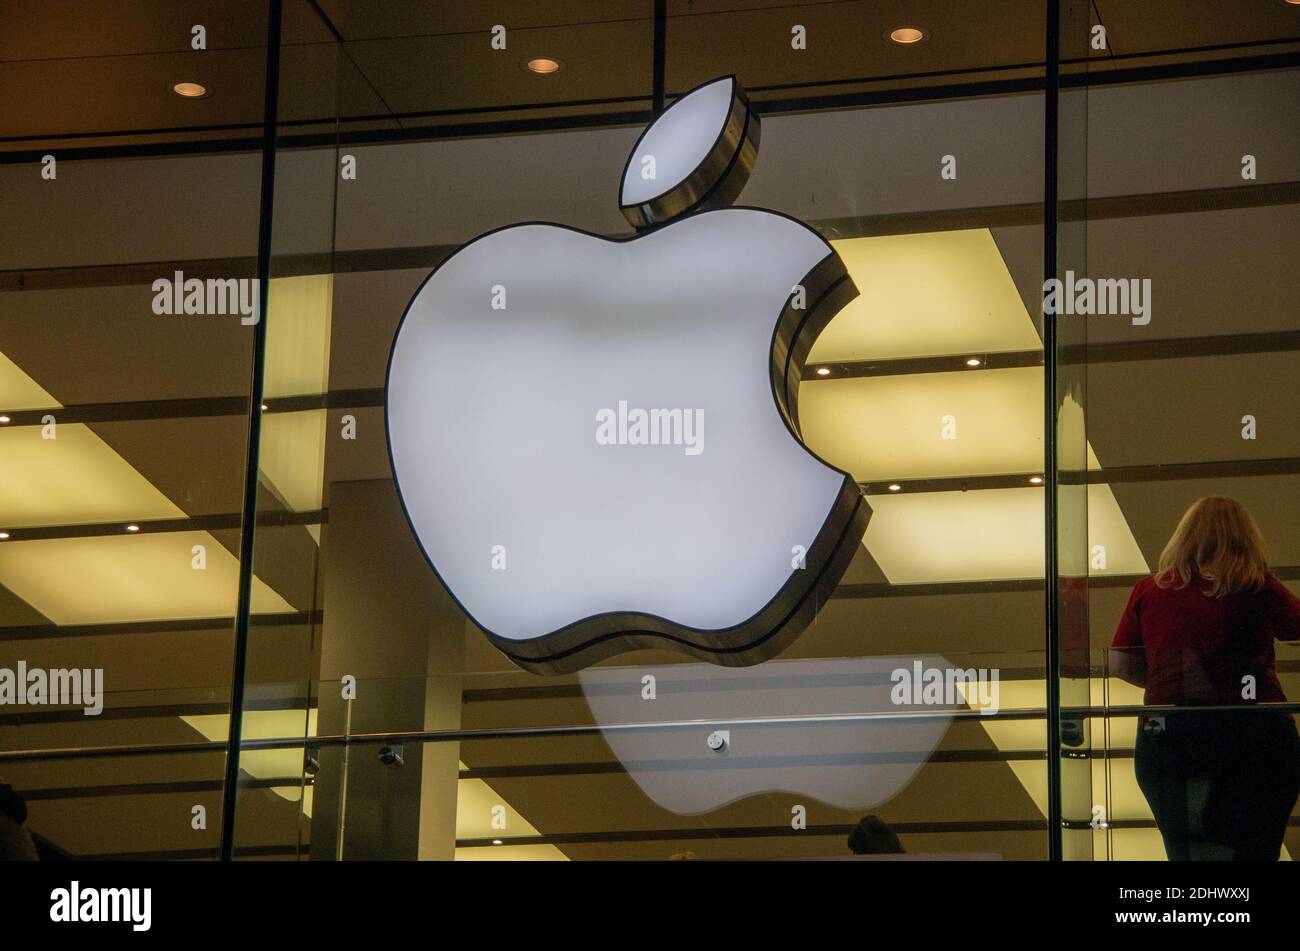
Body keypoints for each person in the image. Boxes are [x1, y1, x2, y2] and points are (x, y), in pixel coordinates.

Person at [1110, 497, 1300, 860]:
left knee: (1187, 850)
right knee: (1256, 849)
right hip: (1255, 734)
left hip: (1171, 737)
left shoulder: (1149, 590)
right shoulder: (1257, 586)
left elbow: (1120, 663)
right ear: (1246, 539)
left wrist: (1171, 683)